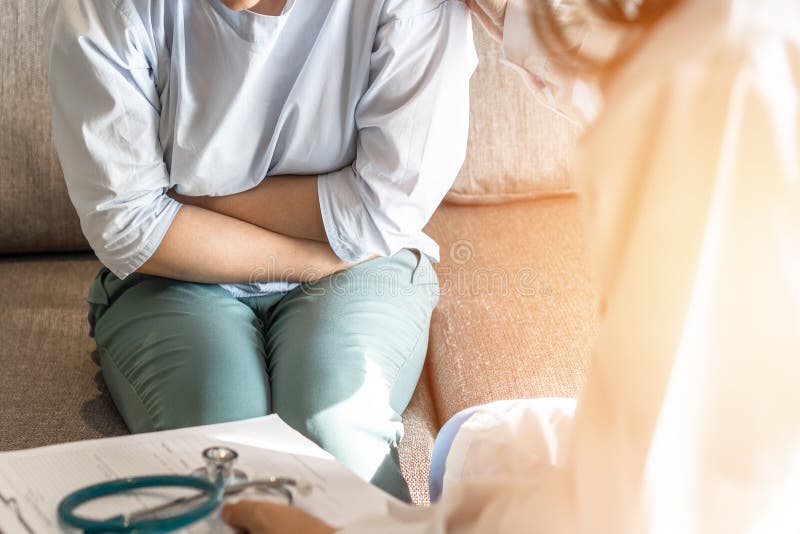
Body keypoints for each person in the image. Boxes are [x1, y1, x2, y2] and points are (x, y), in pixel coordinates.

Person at [221, 0, 800, 532]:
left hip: (720, 497)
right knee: (470, 443)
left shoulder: (719, 85)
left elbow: (652, 506)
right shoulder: (692, 48)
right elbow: (596, 58)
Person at [43, 0, 477, 502]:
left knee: (334, 431)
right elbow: (128, 224)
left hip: (360, 272)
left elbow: (383, 208)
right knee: (227, 451)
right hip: (176, 273)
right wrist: (317, 258)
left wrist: (194, 196)